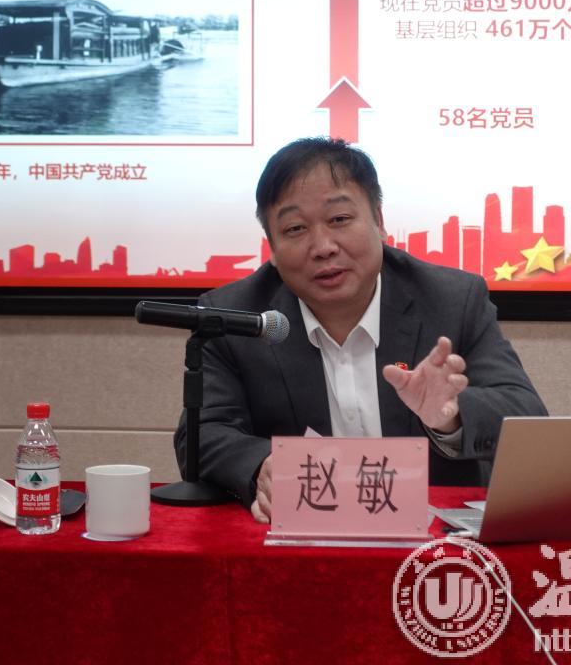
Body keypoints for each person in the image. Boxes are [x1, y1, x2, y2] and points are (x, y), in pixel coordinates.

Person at [173, 137, 546, 522]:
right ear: (272, 247)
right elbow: (201, 436)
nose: (323, 247)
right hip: (303, 536)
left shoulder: (451, 300)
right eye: (295, 228)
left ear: (379, 222)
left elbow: (527, 418)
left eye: (339, 220)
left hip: (432, 540)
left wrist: (450, 417)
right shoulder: (234, 316)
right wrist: (261, 465)